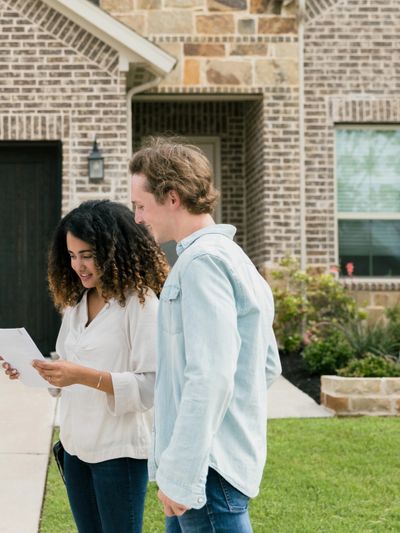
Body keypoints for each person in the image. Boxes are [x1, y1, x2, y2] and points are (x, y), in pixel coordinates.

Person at [129, 139, 281, 533]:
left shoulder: (202, 264)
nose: (139, 218)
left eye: (141, 205)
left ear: (172, 197)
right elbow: (265, 367)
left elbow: (211, 374)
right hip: (208, 465)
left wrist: (181, 472)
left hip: (204, 473)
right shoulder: (233, 259)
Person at [0, 200, 168, 533]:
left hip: (119, 456)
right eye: (72, 256)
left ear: (115, 250)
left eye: (87, 255)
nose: (79, 266)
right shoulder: (77, 304)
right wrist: (30, 368)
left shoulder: (140, 303)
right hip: (75, 450)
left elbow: (151, 386)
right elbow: (64, 372)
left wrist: (83, 376)